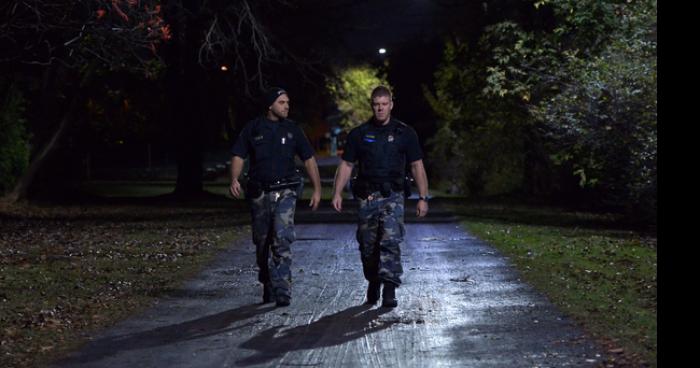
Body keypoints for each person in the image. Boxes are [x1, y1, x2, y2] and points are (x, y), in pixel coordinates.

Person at [331, 85, 429, 308]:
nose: (380, 109)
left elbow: (417, 165)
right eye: (376, 105)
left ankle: (390, 288)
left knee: (390, 242)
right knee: (368, 246)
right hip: (367, 197)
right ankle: (373, 281)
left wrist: (423, 197)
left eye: (384, 104)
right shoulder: (359, 134)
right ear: (372, 106)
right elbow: (346, 165)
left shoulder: (405, 133)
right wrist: (337, 192)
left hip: (393, 196)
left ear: (391, 105)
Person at [229, 87, 322, 307]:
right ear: (270, 105)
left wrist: (317, 188)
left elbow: (309, 159)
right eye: (281, 102)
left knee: (282, 238)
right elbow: (238, 155)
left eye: (288, 102)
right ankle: (267, 281)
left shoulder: (293, 130)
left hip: (286, 192)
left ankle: (283, 288)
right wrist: (234, 179)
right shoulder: (253, 128)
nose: (286, 106)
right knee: (262, 243)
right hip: (260, 193)